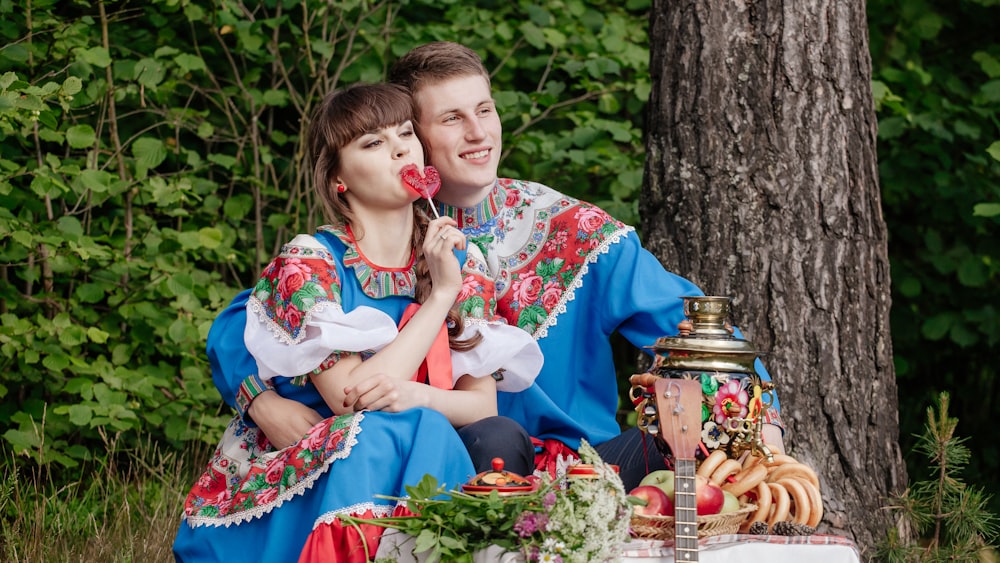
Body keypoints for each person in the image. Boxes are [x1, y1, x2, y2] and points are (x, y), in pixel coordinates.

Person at [384, 41, 786, 490]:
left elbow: (697, 334)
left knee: (700, 426)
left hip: (588, 474)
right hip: (446, 473)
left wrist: (763, 438)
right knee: (484, 438)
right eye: (452, 118)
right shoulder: (382, 245)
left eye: (485, 110)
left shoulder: (575, 229)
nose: (478, 133)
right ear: (412, 139)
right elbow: (332, 360)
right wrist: (284, 403)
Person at [173, 82, 542, 563]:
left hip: (412, 454)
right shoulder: (311, 261)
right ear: (337, 180)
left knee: (448, 429)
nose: (400, 149)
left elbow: (480, 406)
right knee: (382, 431)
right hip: (306, 465)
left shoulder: (457, 257)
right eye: (373, 143)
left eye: (405, 134)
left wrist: (417, 395)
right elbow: (353, 399)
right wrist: (440, 299)